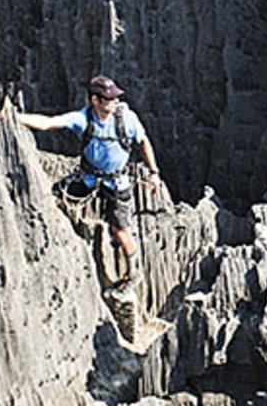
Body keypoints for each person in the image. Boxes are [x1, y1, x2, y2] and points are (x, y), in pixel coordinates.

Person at [14, 75, 161, 293]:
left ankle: (134, 273)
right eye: (109, 98)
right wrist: (16, 117)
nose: (114, 101)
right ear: (95, 100)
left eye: (115, 97)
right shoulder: (83, 119)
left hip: (117, 182)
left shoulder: (127, 119)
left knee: (120, 231)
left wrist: (154, 172)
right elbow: (48, 123)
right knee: (54, 198)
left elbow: (143, 142)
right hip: (89, 178)